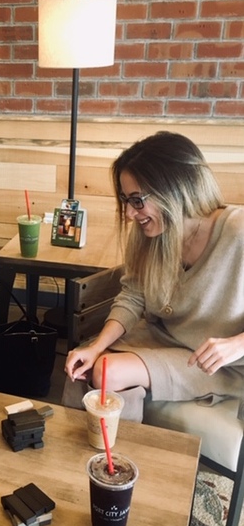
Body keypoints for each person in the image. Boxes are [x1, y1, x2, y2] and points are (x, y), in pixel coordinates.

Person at [65, 131, 244, 420]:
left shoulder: (238, 231)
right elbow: (133, 296)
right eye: (125, 200)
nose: (128, 214)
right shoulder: (150, 236)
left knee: (107, 372)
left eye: (137, 200)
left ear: (176, 189)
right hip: (162, 339)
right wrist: (97, 346)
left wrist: (237, 345)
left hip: (217, 364)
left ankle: (117, 446)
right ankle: (93, 445)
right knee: (83, 365)